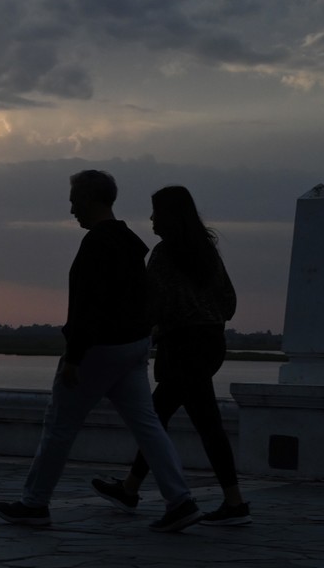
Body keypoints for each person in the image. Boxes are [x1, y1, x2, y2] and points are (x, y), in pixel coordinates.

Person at [0, 169, 202, 533]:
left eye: (75, 200)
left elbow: (87, 307)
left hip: (100, 350)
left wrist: (74, 358)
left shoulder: (96, 245)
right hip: (134, 348)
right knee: (148, 426)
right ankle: (180, 499)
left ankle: (34, 503)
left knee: (59, 426)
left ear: (90, 199)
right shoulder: (130, 242)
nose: (72, 208)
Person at [91, 185, 251, 526]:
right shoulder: (206, 252)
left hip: (183, 347)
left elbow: (152, 305)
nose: (150, 219)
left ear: (169, 216)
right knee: (164, 418)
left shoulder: (164, 254)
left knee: (179, 422)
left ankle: (211, 503)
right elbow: (229, 303)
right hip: (209, 344)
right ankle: (132, 489)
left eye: (155, 213)